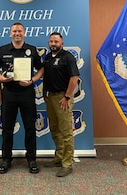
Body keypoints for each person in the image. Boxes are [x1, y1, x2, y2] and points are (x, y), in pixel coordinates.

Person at [0, 22, 44, 174]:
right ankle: (6, 160)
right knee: (7, 129)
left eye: (19, 31)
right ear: (10, 33)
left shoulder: (32, 50)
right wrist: (0, 79)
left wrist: (33, 80)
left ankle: (32, 160)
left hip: (27, 93)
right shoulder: (3, 50)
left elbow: (41, 69)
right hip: (8, 93)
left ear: (24, 33)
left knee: (30, 128)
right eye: (14, 31)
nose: (17, 33)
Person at [43, 32, 79, 177]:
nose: (53, 44)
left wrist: (67, 96)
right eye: (51, 41)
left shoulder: (68, 57)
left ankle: (67, 163)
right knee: (54, 129)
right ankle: (59, 157)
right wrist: (45, 91)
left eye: (56, 41)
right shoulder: (47, 58)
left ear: (62, 43)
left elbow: (74, 77)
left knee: (66, 132)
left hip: (63, 97)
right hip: (51, 97)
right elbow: (46, 76)